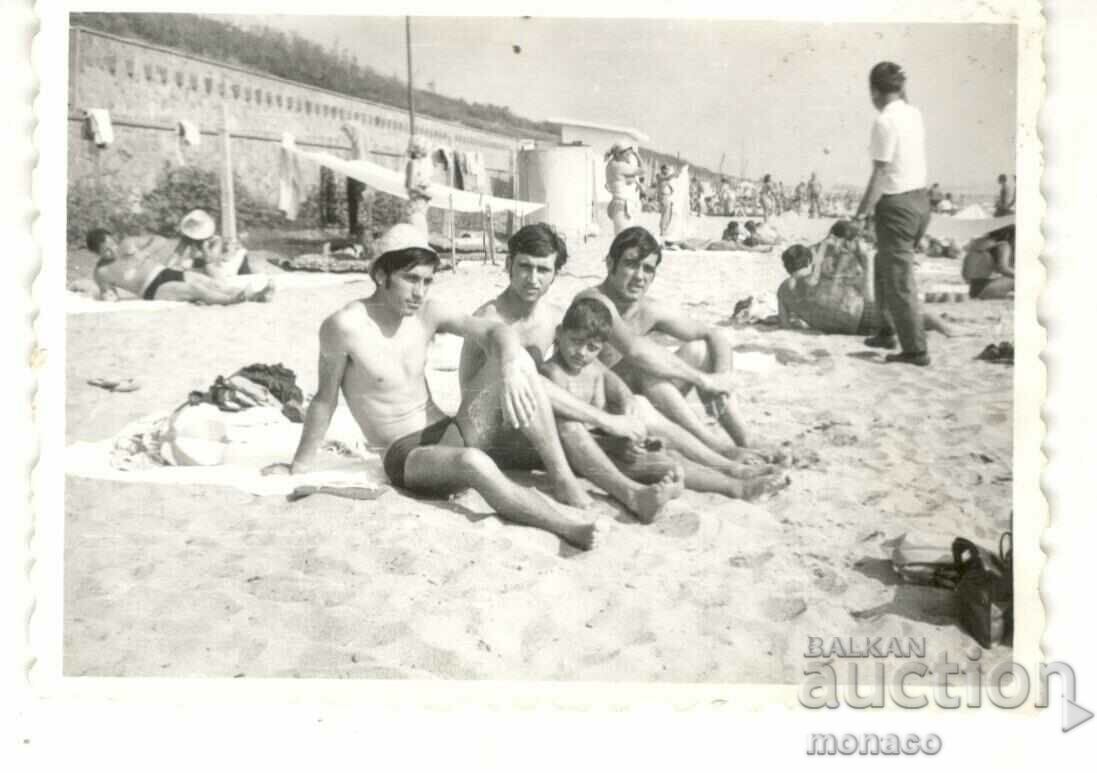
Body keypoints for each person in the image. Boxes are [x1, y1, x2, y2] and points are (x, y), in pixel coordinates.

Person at [266, 225, 608, 551]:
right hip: (405, 454)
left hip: (449, 429)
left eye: (427, 281)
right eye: (410, 279)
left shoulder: (427, 313)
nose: (420, 292)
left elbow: (494, 332)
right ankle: (567, 528)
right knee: (473, 462)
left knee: (518, 361)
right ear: (382, 275)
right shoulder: (344, 327)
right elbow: (325, 401)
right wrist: (299, 466)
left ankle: (563, 477)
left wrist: (508, 365)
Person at [459, 223, 765, 521]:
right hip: (494, 436)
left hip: (535, 428)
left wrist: (625, 402)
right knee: (575, 426)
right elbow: (515, 387)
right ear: (508, 265)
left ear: (555, 274)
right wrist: (605, 421)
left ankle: (730, 472)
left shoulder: (551, 319)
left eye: (543, 270)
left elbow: (594, 365)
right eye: (525, 267)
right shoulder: (490, 320)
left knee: (644, 434)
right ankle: (630, 493)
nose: (533, 278)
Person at [543, 298, 788, 505]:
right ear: (559, 334)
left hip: (609, 441)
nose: (581, 352)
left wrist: (627, 404)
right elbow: (570, 433)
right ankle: (736, 486)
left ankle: (732, 467)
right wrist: (616, 442)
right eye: (575, 342)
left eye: (592, 347)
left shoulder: (590, 364)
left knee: (666, 443)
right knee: (669, 463)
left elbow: (613, 381)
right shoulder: (553, 373)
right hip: (588, 454)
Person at [576, 226, 780, 463]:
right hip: (600, 408)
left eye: (648, 269)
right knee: (645, 364)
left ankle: (743, 438)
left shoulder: (648, 308)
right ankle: (716, 446)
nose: (640, 276)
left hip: (644, 403)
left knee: (700, 349)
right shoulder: (593, 300)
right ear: (610, 263)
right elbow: (634, 351)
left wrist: (721, 380)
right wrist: (703, 380)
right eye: (631, 264)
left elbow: (713, 334)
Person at [853, 61, 932, 367]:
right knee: (881, 263)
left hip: (897, 205)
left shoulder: (884, 122)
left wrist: (860, 216)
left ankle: (915, 350)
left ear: (874, 91)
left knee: (899, 281)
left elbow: (880, 175)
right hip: (921, 202)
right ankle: (886, 330)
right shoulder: (913, 113)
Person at [777, 228, 952, 337]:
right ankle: (948, 330)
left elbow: (785, 325)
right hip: (860, 315)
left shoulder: (783, 291)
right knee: (917, 315)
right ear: (808, 262)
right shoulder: (815, 275)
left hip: (843, 330)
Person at [87, 227, 273, 304]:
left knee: (209, 282)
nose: (113, 250)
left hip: (166, 272)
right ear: (96, 253)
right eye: (106, 250)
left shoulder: (128, 244)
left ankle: (254, 295)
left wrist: (144, 252)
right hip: (153, 288)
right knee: (194, 289)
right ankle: (232, 300)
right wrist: (107, 294)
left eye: (112, 243)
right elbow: (108, 295)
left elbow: (160, 239)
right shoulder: (102, 272)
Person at [962, 224, 1015, 299]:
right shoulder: (1003, 245)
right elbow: (1003, 268)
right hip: (985, 289)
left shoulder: (979, 242)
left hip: (973, 288)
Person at [605, 140, 643, 234]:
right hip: (623, 205)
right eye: (627, 154)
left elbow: (624, 179)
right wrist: (637, 155)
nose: (628, 157)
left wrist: (634, 181)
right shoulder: (619, 166)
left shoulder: (612, 164)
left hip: (619, 204)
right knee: (624, 235)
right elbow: (643, 170)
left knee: (622, 235)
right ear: (619, 154)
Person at [404, 137, 433, 235]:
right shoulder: (413, 163)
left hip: (420, 206)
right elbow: (410, 185)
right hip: (416, 205)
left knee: (420, 235)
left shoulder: (418, 164)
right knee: (420, 236)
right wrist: (426, 194)